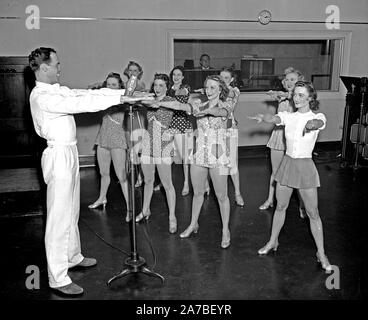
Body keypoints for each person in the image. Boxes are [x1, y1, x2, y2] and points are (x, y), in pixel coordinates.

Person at [28, 47, 130, 296]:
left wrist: (122, 93)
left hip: (70, 153)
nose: (60, 68)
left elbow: (84, 93)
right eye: (57, 64)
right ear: (44, 68)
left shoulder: (58, 90)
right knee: (58, 218)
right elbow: (81, 102)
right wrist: (120, 98)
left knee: (71, 211)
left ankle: (72, 256)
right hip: (58, 155)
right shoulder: (42, 97)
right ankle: (57, 277)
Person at [249, 81, 332, 271]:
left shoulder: (318, 116)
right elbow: (276, 118)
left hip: (305, 167)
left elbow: (319, 122)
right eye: (295, 94)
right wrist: (264, 117)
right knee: (281, 207)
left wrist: (312, 124)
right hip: (288, 164)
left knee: (313, 213)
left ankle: (321, 252)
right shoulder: (289, 116)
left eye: (302, 95)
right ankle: (273, 241)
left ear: (311, 98)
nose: (297, 98)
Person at [154, 75, 235, 248]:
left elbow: (220, 113)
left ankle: (225, 230)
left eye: (213, 87)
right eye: (207, 87)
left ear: (221, 89)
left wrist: (206, 111)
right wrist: (160, 103)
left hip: (219, 155)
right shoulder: (199, 104)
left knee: (222, 196)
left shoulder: (227, 104)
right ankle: (193, 224)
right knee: (197, 193)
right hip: (200, 153)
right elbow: (179, 105)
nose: (209, 90)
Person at [259, 67, 306, 218]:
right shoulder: (282, 96)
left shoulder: (301, 97)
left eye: (293, 79)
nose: (289, 81)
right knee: (275, 171)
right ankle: (270, 199)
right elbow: (280, 95)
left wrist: (285, 94)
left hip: (294, 138)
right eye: (287, 79)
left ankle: (302, 205)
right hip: (279, 136)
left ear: (299, 81)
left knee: (297, 173)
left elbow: (291, 96)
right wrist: (278, 94)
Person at [137, 73, 178, 234]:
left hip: (163, 143)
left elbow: (158, 111)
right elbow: (140, 99)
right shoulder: (151, 99)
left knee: (167, 184)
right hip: (148, 141)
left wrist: (150, 102)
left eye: (161, 85)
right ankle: (145, 209)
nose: (157, 88)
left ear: (167, 87)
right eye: (155, 85)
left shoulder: (170, 101)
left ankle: (172, 217)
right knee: (148, 180)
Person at [88, 72, 130, 222]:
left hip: (117, 139)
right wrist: (100, 86)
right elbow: (90, 89)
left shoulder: (123, 99)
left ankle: (130, 209)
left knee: (122, 176)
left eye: (114, 84)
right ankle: (102, 198)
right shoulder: (102, 98)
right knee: (103, 173)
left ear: (119, 86)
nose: (111, 87)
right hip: (103, 138)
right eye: (109, 84)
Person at [219, 67, 245, 207]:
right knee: (222, 162)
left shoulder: (234, 91)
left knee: (233, 163)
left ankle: (237, 193)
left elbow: (228, 95)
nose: (223, 80)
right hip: (217, 130)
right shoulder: (216, 90)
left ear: (232, 79)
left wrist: (210, 89)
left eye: (226, 78)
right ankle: (222, 193)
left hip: (230, 129)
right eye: (221, 77)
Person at [167, 66, 193, 196]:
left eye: (178, 75)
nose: (176, 77)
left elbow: (176, 96)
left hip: (182, 124)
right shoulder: (168, 88)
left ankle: (186, 182)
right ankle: (164, 182)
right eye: (174, 75)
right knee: (167, 154)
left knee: (184, 157)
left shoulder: (185, 88)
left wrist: (165, 94)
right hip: (169, 124)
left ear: (182, 77)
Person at [122, 61, 147, 188]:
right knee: (129, 148)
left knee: (139, 149)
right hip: (127, 117)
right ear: (127, 71)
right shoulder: (127, 83)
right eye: (130, 70)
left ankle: (141, 175)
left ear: (139, 73)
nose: (132, 73)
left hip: (137, 117)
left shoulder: (139, 83)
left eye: (135, 71)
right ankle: (129, 174)